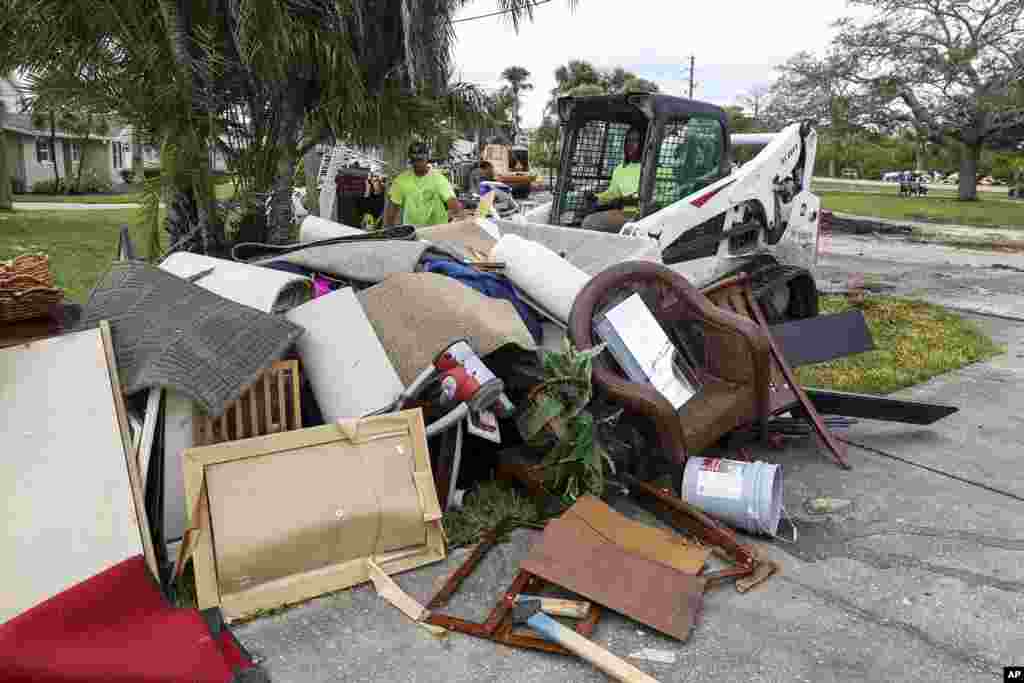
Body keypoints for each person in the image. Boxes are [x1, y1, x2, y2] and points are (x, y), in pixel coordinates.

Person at [382, 142, 465, 226]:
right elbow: (391, 211)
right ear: (410, 160)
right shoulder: (400, 181)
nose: (417, 163)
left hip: (436, 232)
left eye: (420, 160)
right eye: (414, 160)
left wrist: (457, 217)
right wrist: (390, 230)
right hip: (414, 233)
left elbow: (453, 203)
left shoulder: (438, 179)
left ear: (427, 158)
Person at [582, 125, 644, 232]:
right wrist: (596, 198)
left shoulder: (649, 167)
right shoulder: (620, 169)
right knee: (584, 217)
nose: (630, 144)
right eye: (628, 140)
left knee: (589, 223)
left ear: (643, 144)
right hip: (626, 212)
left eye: (635, 141)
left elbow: (657, 199)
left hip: (642, 214)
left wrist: (631, 201)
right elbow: (612, 193)